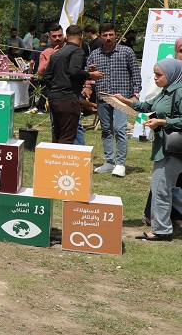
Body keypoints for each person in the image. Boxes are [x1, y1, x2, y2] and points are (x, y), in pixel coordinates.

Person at [115, 57, 182, 241]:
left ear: (172, 74)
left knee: (161, 188)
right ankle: (162, 228)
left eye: (159, 75)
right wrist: (125, 101)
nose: (155, 78)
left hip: (172, 150)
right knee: (165, 187)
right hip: (164, 148)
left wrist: (163, 122)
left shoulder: (179, 92)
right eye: (154, 74)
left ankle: (161, 230)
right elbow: (147, 106)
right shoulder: (166, 91)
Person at [89, 22, 140, 177]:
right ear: (100, 36)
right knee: (106, 129)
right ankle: (109, 161)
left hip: (121, 97)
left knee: (119, 128)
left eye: (111, 34)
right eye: (105, 35)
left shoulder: (126, 51)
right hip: (103, 96)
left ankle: (120, 163)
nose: (108, 38)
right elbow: (88, 73)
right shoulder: (94, 54)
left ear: (116, 34)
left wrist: (136, 94)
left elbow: (135, 73)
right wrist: (90, 72)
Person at [43, 25, 103, 144]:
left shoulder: (56, 53)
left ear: (66, 37)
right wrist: (90, 74)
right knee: (67, 136)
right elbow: (74, 71)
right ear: (81, 37)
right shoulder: (77, 51)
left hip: (54, 98)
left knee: (57, 134)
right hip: (68, 98)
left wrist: (55, 89)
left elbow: (46, 76)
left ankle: (54, 155)